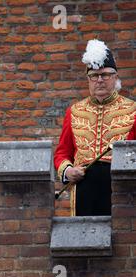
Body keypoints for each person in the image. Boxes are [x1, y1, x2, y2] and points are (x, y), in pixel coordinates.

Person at [54, 39, 135, 216]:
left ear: (115, 77)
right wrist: (68, 171)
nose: (99, 80)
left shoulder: (133, 110)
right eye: (94, 76)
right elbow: (62, 153)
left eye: (105, 75)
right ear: (88, 80)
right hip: (83, 192)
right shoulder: (74, 111)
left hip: (122, 191)